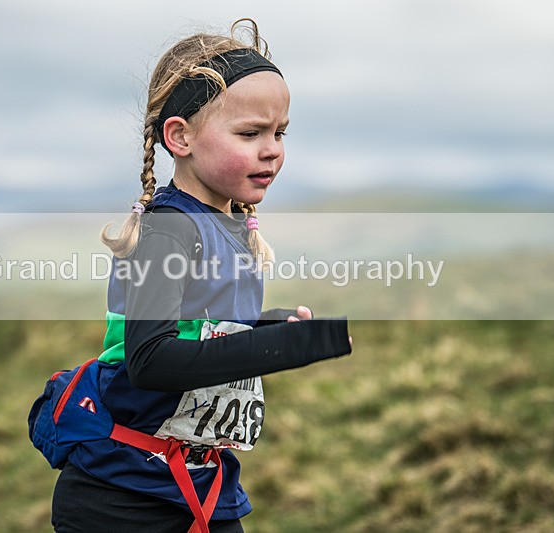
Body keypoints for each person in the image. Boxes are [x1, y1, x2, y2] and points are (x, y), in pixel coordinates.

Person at [51, 18, 353, 533]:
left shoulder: (230, 225)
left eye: (279, 133)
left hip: (201, 484)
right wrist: (286, 349)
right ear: (180, 136)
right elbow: (152, 361)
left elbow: (199, 331)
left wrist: (268, 326)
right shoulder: (169, 228)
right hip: (122, 498)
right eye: (250, 133)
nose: (272, 149)